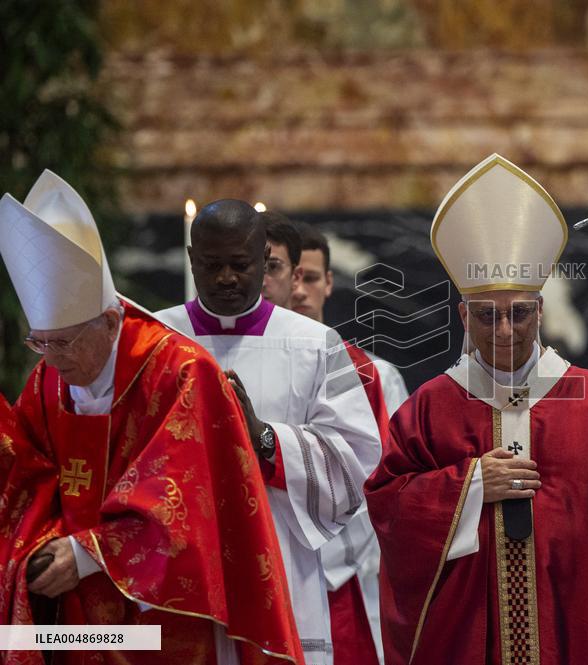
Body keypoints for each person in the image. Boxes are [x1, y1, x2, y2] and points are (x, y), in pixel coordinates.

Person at [365, 154, 588, 665]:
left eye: (518, 314)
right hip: (471, 631)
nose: (504, 331)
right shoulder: (431, 405)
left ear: (541, 311)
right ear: (462, 315)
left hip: (576, 620)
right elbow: (388, 504)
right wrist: (471, 486)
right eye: (486, 316)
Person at [0, 171, 303, 664]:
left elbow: (185, 501)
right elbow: (26, 481)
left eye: (66, 342)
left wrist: (85, 554)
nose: (52, 359)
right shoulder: (48, 380)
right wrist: (40, 545)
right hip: (76, 621)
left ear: (111, 319)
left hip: (162, 621)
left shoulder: (180, 372)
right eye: (40, 342)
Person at [157, 200, 383, 665]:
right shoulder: (157, 339)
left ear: (265, 260)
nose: (225, 278)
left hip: (282, 570)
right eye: (210, 264)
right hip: (183, 570)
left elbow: (359, 461)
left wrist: (265, 438)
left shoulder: (318, 344)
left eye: (239, 265)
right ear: (190, 258)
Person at [255, 214, 391, 664]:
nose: (298, 291)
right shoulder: (205, 354)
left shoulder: (366, 371)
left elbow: (377, 475)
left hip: (336, 571)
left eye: (308, 278)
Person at [290, 221, 410, 414]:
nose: (300, 291)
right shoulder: (251, 366)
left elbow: (398, 444)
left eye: (311, 278)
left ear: (328, 282)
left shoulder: (378, 376)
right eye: (291, 279)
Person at [260, 210, 305, 309]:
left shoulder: (311, 325)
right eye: (245, 267)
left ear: (296, 276)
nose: (261, 283)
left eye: (273, 267)